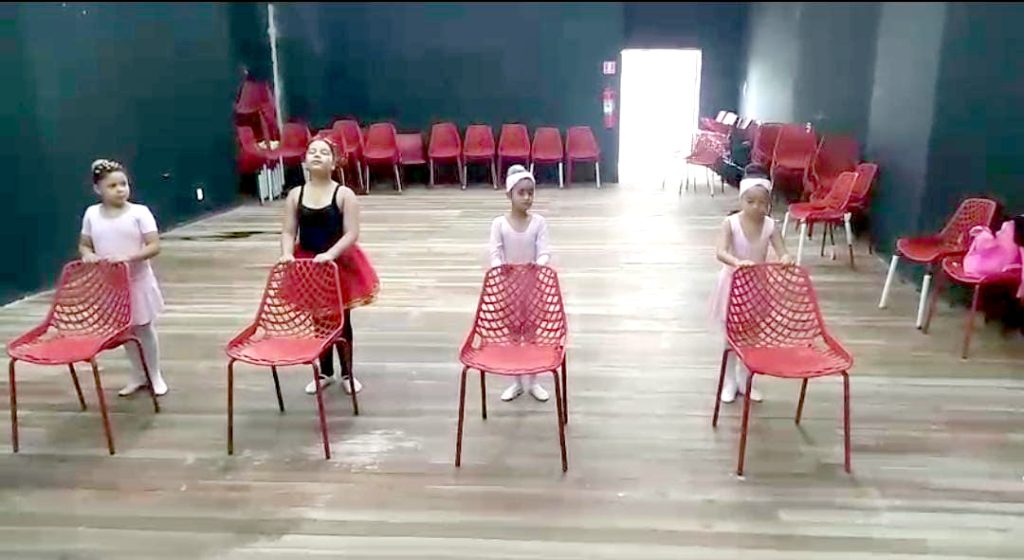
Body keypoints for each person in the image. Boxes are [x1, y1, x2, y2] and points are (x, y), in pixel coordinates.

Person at [280, 137, 380, 395]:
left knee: (342, 320)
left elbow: (351, 233)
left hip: (338, 264)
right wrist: (287, 254)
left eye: (324, 153)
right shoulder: (296, 195)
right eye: (312, 151)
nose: (317, 155)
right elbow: (289, 231)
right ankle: (325, 372)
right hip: (309, 264)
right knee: (318, 319)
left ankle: (347, 373)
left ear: (334, 163)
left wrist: (331, 254)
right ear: (305, 160)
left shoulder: (344, 194)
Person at [79, 159, 169, 396]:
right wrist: (88, 255)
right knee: (126, 330)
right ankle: (138, 373)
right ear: (97, 189)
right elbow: (85, 244)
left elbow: (154, 246)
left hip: (138, 282)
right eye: (112, 186)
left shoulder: (139, 213)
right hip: (112, 286)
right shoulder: (92, 214)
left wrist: (128, 257)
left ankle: (155, 374)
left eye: (123, 184)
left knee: (144, 328)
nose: (120, 189)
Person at [709, 164, 793, 404]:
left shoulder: (770, 225)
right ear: (742, 200)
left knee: (752, 338)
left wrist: (785, 258)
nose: (757, 207)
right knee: (731, 337)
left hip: (757, 286)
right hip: (733, 284)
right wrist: (737, 262)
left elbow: (782, 250)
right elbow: (720, 251)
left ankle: (746, 379)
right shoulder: (731, 223)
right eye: (751, 201)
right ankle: (729, 381)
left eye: (762, 203)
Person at [488, 165, 552, 402]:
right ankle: (516, 381)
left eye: (530, 193)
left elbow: (545, 252)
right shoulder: (499, 224)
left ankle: (534, 381)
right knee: (514, 336)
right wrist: (501, 268)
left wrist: (538, 264)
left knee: (532, 335)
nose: (527, 197)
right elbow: (495, 253)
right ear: (510, 194)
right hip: (510, 290)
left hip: (532, 289)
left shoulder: (539, 223)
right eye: (521, 192)